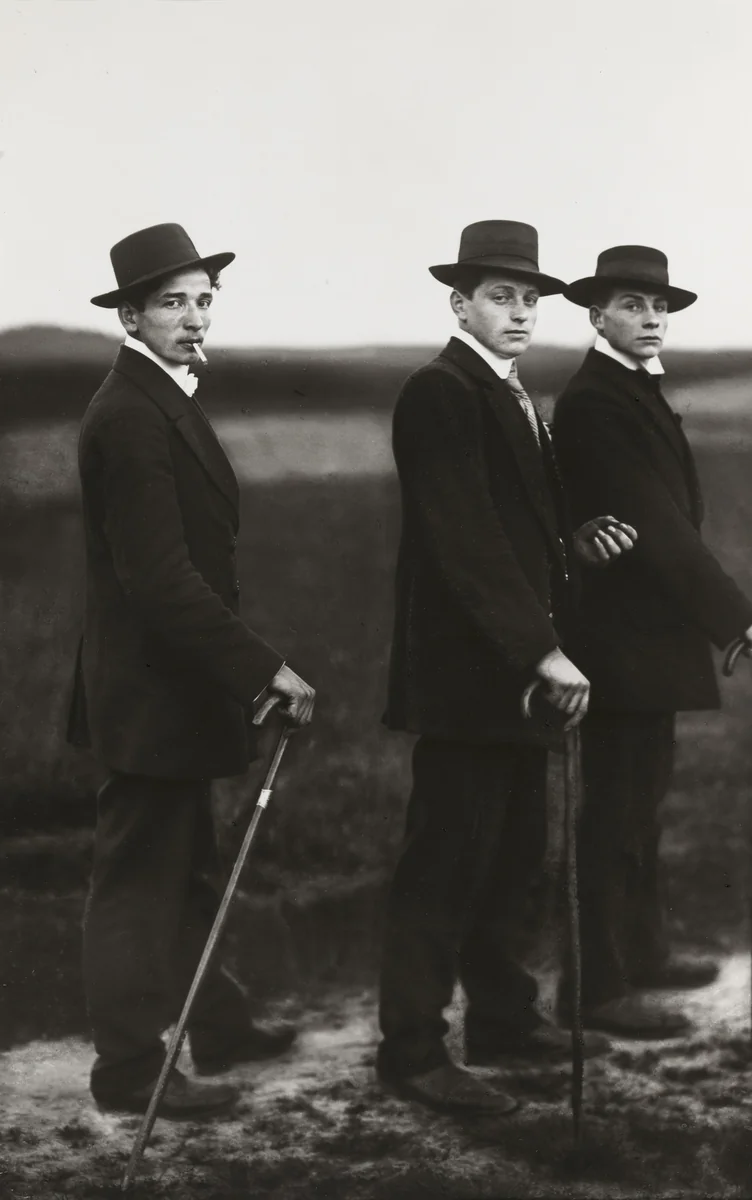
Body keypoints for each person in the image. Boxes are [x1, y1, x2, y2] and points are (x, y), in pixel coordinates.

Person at [377, 220, 638, 1116]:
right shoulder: (439, 391)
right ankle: (411, 1051)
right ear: (460, 303)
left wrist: (571, 543)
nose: (520, 311)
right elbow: (465, 539)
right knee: (444, 861)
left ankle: (501, 1018)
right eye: (500, 296)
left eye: (529, 298)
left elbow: (515, 530)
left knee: (514, 854)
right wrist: (541, 648)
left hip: (515, 675)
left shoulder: (511, 391)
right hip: (467, 678)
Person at [67, 223, 316, 1117]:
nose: (194, 317)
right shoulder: (130, 412)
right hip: (148, 694)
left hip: (172, 688)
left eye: (204, 299)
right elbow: (160, 578)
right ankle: (128, 1074)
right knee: (139, 883)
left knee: (189, 866)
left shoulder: (160, 395)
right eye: (173, 302)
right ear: (131, 314)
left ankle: (216, 1024)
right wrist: (262, 670)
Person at [552, 245, 752, 1038]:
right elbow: (655, 526)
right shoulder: (595, 402)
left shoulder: (630, 391)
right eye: (631, 305)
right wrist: (738, 619)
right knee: (614, 811)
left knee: (640, 805)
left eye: (658, 307)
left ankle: (642, 952)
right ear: (596, 315)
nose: (650, 318)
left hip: (649, 638)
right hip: (617, 640)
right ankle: (596, 986)